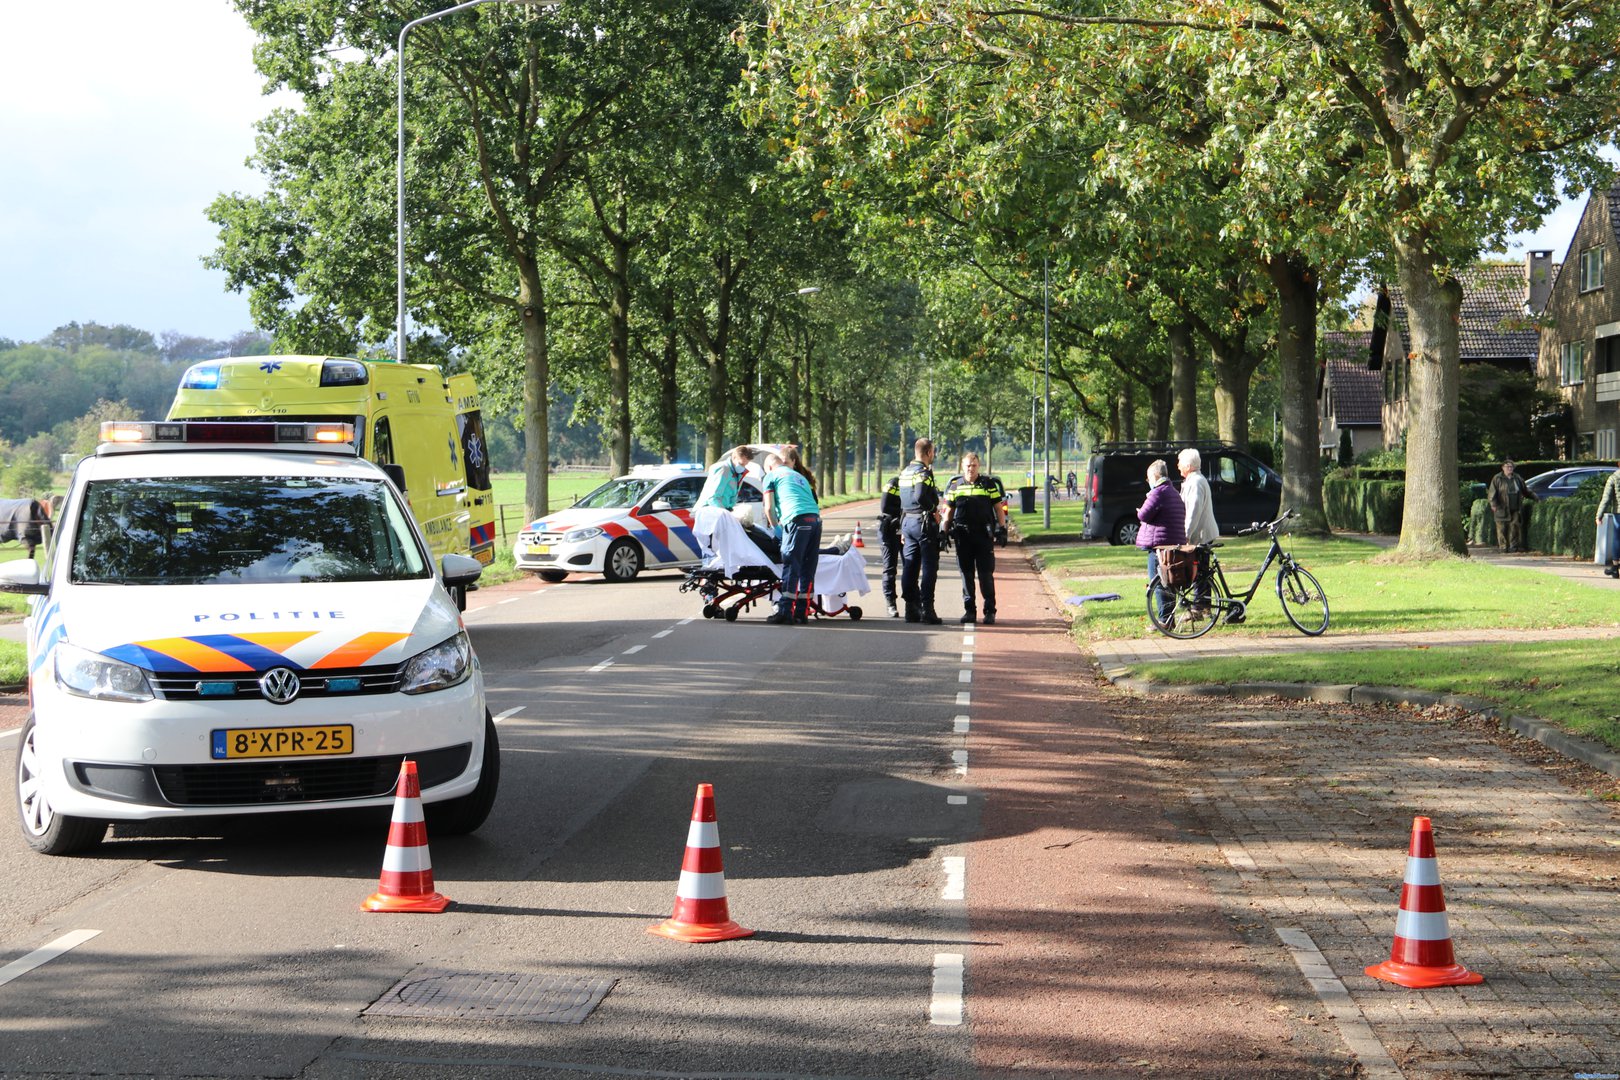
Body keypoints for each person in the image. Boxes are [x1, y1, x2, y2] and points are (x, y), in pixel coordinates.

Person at [942, 452, 1007, 625]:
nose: (971, 468)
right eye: (968, 465)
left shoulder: (988, 484)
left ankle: (989, 611)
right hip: (963, 536)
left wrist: (1002, 528)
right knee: (966, 574)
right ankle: (969, 610)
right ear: (962, 467)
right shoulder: (955, 486)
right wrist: (944, 531)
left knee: (986, 574)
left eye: (974, 465)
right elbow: (948, 512)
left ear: (979, 466)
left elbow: (998, 508)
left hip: (983, 536)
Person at [763, 446, 821, 624]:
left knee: (791, 564)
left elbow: (769, 508)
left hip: (797, 520)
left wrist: (776, 529)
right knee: (807, 568)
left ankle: (785, 611)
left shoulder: (771, 476)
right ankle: (802, 612)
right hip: (815, 520)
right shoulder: (799, 476)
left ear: (770, 467)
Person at [897, 437, 944, 624]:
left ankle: (911, 608)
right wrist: (933, 509)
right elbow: (920, 495)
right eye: (933, 452)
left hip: (907, 522)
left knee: (910, 566)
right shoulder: (922, 472)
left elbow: (903, 501)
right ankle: (928, 610)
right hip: (923, 523)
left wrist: (902, 527)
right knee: (929, 567)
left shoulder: (905, 472)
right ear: (929, 452)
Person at [1136, 459, 1186, 622]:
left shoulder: (1158, 492)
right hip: (1173, 543)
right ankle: (1169, 618)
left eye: (1148, 478)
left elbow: (1144, 514)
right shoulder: (1173, 491)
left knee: (1159, 583)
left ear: (1155, 476)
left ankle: (1164, 620)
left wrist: (1140, 511)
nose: (1148, 481)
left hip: (1160, 545)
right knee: (1169, 584)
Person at [1179, 448, 1218, 611]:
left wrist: (1185, 535)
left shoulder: (1196, 482)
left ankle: (1199, 607)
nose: (1178, 465)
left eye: (1180, 462)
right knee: (1202, 571)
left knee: (1200, 571)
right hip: (1201, 533)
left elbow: (1193, 512)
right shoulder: (1194, 480)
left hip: (1201, 534)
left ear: (1188, 466)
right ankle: (1203, 605)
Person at [1487, 459, 1535, 553]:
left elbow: (1525, 490)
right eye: (1507, 466)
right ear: (1503, 468)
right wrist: (1493, 504)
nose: (1510, 468)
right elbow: (1492, 492)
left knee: (1514, 527)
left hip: (1515, 507)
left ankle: (1513, 547)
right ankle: (1503, 547)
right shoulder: (1497, 478)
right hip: (1501, 507)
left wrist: (1535, 497)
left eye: (1511, 467)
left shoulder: (1517, 478)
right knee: (1502, 528)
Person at [697, 444, 754, 511]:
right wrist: (725, 514)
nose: (743, 467)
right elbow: (713, 498)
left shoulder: (736, 473)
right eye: (741, 464)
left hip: (719, 510)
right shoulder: (724, 469)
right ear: (734, 457)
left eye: (745, 465)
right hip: (710, 511)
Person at [878, 472, 904, 617]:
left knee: (910, 567)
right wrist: (903, 513)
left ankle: (912, 602)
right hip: (889, 529)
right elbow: (885, 507)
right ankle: (891, 603)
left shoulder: (916, 485)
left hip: (906, 529)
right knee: (890, 568)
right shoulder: (894, 483)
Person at [1594, 461, 1620, 577]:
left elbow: (1606, 499)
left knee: (1617, 539)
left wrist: (1599, 515)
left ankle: (1615, 568)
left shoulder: (1614, 477)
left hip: (1618, 513)